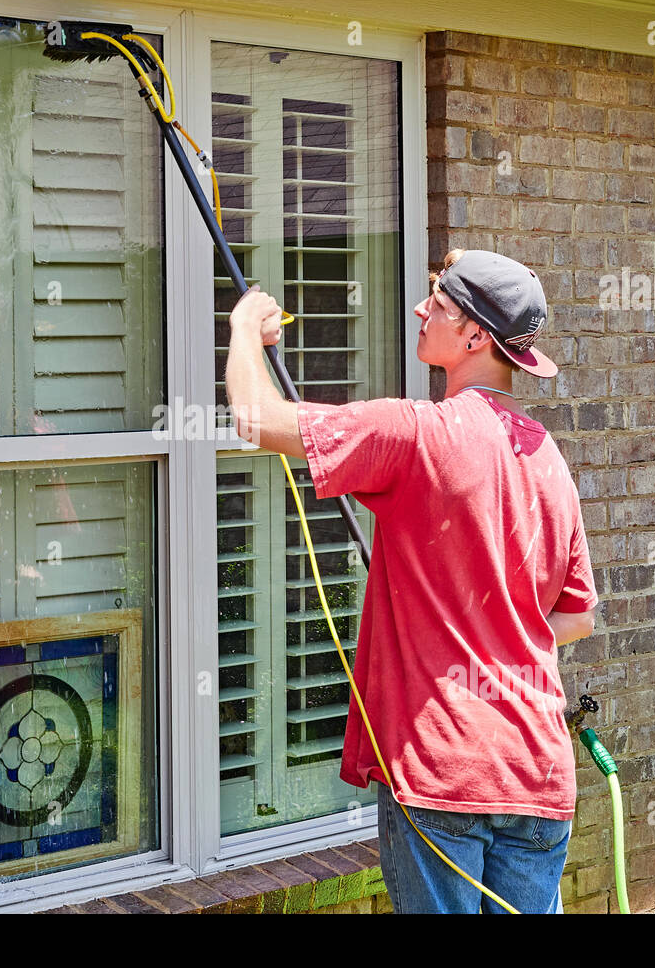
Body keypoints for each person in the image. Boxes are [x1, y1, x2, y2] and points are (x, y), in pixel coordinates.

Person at [224, 248, 599, 914]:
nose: (422, 310)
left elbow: (256, 418)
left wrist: (244, 327)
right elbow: (575, 619)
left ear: (476, 336)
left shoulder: (419, 433)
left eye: (441, 305)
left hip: (443, 772)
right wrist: (486, 634)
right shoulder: (549, 459)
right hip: (537, 773)